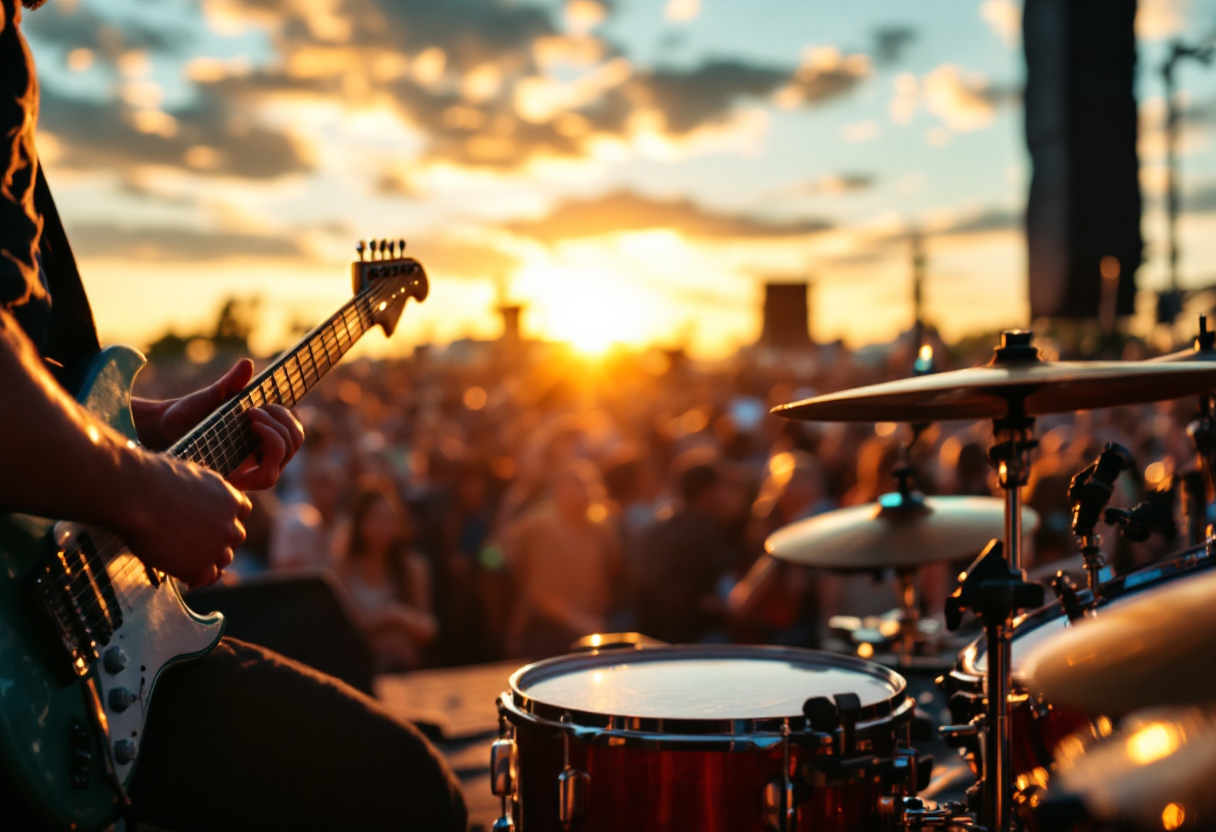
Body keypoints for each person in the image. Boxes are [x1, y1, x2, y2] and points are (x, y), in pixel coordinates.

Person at [0, 0, 466, 827]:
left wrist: (147, 429)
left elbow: (26, 372)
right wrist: (146, 492)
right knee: (399, 790)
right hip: (28, 650)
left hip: (70, 645)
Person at [503, 460, 621, 657]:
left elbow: (605, 580)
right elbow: (540, 592)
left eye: (585, 487)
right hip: (545, 631)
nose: (579, 495)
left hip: (587, 627)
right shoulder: (543, 527)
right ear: (558, 492)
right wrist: (580, 621)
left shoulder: (599, 529)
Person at [337, 476, 438, 671]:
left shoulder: (414, 568)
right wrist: (390, 617)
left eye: (388, 519)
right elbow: (342, 628)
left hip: (403, 667)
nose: (382, 527)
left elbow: (429, 629)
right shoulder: (343, 567)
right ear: (359, 522)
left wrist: (397, 617)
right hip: (356, 664)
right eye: (374, 518)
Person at [635, 461, 732, 643]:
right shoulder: (705, 531)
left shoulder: (655, 528)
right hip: (692, 636)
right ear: (706, 492)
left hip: (651, 635)